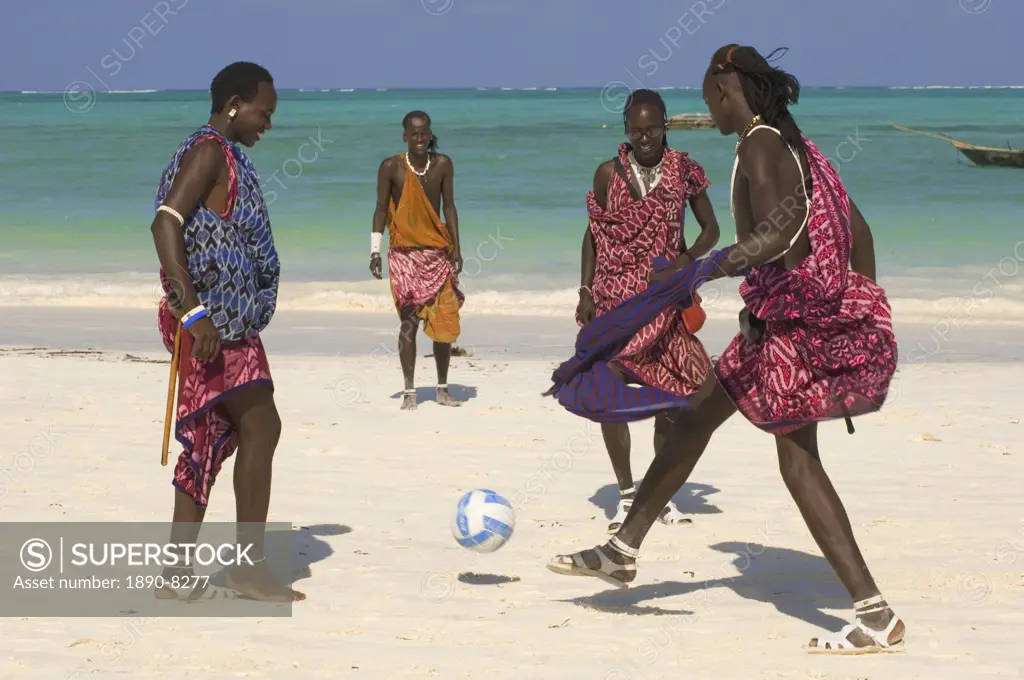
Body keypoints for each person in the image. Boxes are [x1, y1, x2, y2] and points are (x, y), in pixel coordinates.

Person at [546, 45, 901, 653]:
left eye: (707, 98)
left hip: (787, 334)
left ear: (722, 91)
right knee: (693, 422)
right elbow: (857, 230)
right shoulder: (797, 143)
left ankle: (875, 614)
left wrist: (705, 267)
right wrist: (858, 309)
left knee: (798, 463)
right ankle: (622, 550)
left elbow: (778, 233)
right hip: (778, 325)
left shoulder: (761, 146)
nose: (706, 111)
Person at [150, 61, 303, 602]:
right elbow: (166, 222)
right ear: (235, 103)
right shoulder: (209, 150)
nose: (268, 123)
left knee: (208, 439)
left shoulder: (223, 153)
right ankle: (248, 568)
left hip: (224, 322)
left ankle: (175, 576)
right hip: (213, 325)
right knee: (262, 428)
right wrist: (193, 312)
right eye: (265, 112)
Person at [576, 89, 721, 532]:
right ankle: (624, 495)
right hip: (614, 299)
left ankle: (656, 495)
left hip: (663, 299)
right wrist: (585, 290)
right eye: (636, 130)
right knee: (608, 393)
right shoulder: (607, 173)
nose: (644, 138)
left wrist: (687, 259)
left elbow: (712, 229)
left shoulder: (684, 172)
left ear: (665, 127)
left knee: (672, 399)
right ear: (626, 129)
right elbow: (593, 235)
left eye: (652, 129)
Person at [370, 110, 464, 410]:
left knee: (444, 322)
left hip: (437, 252)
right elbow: (381, 210)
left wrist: (457, 248)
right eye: (414, 133)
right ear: (405, 136)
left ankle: (442, 388)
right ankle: (410, 390)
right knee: (408, 323)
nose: (420, 138)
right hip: (404, 254)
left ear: (430, 133)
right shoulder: (391, 167)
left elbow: (449, 207)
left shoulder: (443, 165)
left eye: (424, 133)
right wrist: (374, 250)